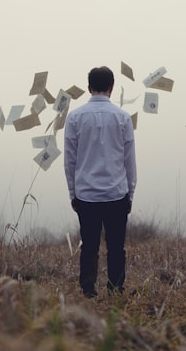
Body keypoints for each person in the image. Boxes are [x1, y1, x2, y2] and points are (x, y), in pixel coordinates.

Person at [64, 66, 137, 298]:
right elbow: (129, 161)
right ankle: (115, 289)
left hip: (86, 194)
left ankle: (88, 290)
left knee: (89, 246)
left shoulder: (74, 117)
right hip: (117, 192)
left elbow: (70, 161)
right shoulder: (123, 118)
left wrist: (73, 194)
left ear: (89, 88)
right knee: (116, 247)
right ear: (112, 88)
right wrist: (130, 193)